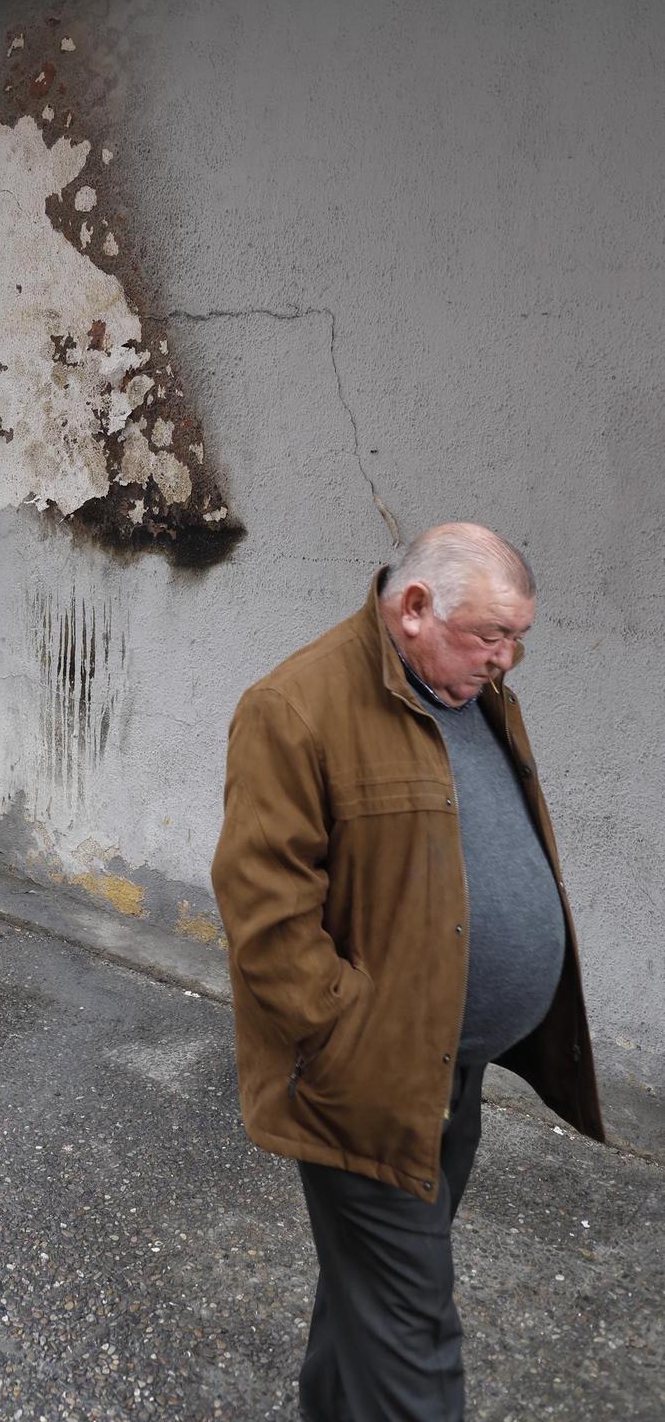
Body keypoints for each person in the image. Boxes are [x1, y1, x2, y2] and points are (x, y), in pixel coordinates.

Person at [211, 524, 604, 1422]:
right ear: (414, 607)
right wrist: (350, 1039)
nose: (506, 661)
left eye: (517, 639)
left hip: (446, 1070)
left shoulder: (473, 693)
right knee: (414, 1336)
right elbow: (264, 918)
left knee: (375, 1295)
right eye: (490, 635)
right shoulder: (295, 706)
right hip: (368, 1077)